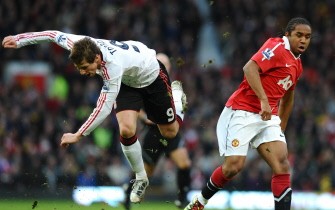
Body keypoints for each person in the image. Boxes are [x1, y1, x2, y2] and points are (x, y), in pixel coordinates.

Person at [2, 31, 186, 204]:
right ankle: (140, 178)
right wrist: (19, 39)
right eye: (79, 68)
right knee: (126, 129)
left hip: (151, 77)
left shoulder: (112, 67)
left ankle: (176, 96)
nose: (82, 72)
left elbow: (103, 108)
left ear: (97, 58)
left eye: (85, 67)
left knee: (170, 132)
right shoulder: (79, 44)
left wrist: (78, 134)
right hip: (127, 80)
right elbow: (53, 35)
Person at [184, 17, 312, 210]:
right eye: (299, 35)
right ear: (288, 35)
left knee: (282, 165)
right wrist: (263, 100)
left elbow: (288, 98)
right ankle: (199, 202)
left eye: (307, 37)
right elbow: (249, 68)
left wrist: (280, 128)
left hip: (268, 118)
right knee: (233, 167)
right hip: (242, 110)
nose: (303, 40)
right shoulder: (276, 46)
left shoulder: (297, 65)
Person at [123, 53, 191, 210]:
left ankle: (182, 198)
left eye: (166, 64)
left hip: (172, 131)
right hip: (154, 132)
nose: (163, 66)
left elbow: (181, 107)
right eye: (160, 63)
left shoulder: (174, 85)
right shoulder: (145, 83)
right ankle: (127, 195)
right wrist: (145, 117)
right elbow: (135, 107)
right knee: (146, 173)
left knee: (184, 163)